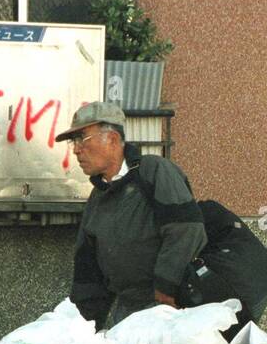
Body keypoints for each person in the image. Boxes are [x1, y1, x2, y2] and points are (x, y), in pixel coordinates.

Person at [59, 101, 206, 328]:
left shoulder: (154, 171)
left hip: (170, 307)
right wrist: (83, 328)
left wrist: (165, 290)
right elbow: (87, 269)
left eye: (82, 139)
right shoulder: (97, 198)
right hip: (128, 311)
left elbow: (186, 229)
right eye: (74, 142)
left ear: (113, 139)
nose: (77, 150)